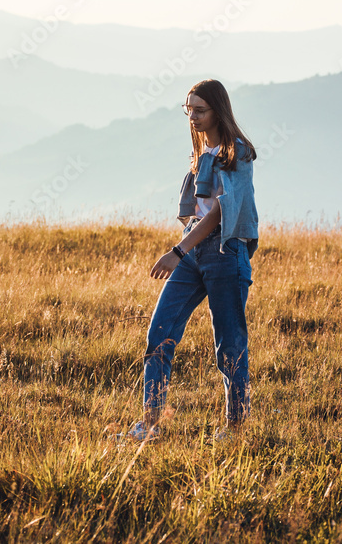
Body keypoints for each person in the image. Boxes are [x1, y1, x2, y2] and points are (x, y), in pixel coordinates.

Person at [120, 79, 259, 442]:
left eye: (200, 110)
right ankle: (149, 426)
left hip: (225, 254)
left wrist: (178, 250)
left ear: (218, 111)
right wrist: (185, 249)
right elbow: (197, 214)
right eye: (189, 109)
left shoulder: (237, 153)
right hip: (193, 252)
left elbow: (218, 213)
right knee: (159, 335)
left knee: (229, 345)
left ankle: (235, 429)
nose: (193, 117)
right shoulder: (202, 155)